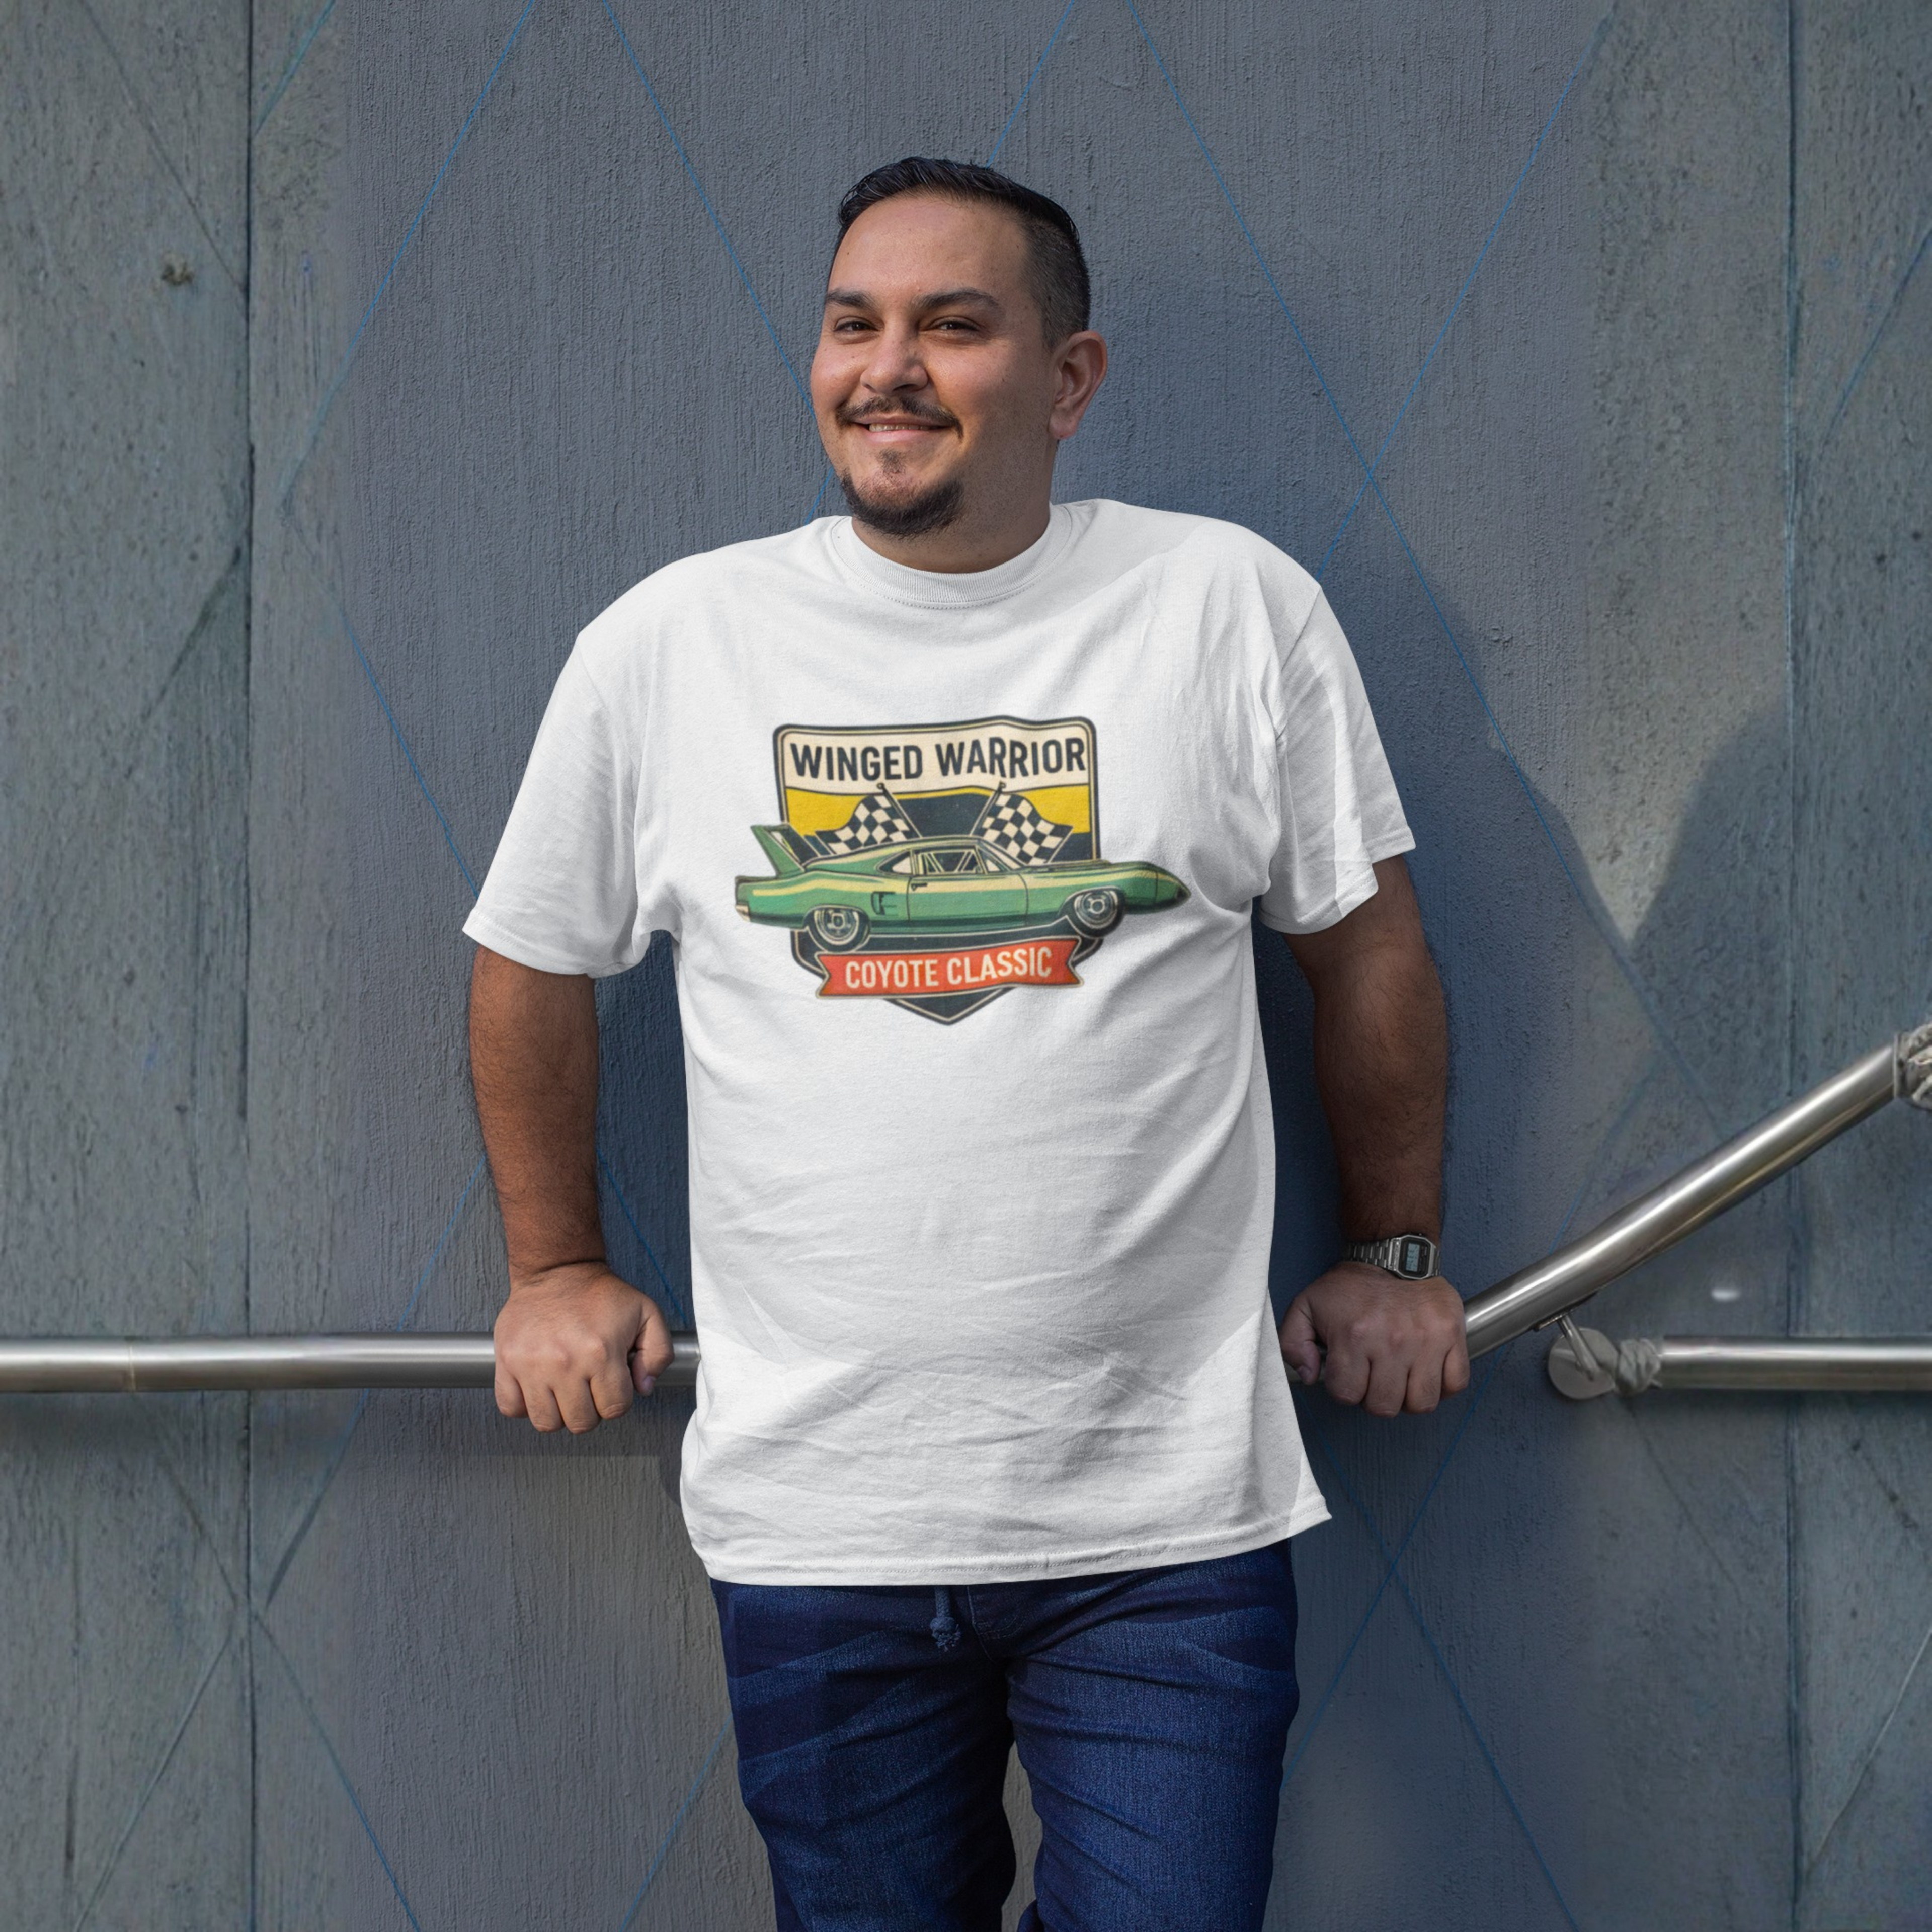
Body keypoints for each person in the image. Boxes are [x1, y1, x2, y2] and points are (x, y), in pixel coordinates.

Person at [465, 156, 1467, 1932]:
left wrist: (1395, 1253)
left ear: (1069, 378)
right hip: (817, 1516)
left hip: (1164, 1522)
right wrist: (553, 1264)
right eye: (854, 323)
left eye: (954, 324)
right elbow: (532, 960)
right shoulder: (675, 643)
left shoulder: (1225, 607)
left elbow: (1364, 946)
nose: (888, 366)